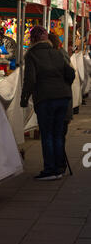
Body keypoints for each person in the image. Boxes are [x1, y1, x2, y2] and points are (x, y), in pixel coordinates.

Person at [20, 26, 75, 180]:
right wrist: (63, 85)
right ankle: (59, 167)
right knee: (57, 133)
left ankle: (50, 169)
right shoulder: (57, 53)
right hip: (63, 97)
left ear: (33, 39)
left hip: (45, 98)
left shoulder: (31, 55)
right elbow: (70, 73)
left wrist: (24, 98)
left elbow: (30, 79)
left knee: (47, 134)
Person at [48, 32, 73, 174]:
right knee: (59, 134)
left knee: (58, 134)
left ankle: (58, 165)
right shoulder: (61, 54)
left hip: (60, 100)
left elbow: (69, 76)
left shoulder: (58, 56)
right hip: (64, 99)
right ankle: (59, 163)